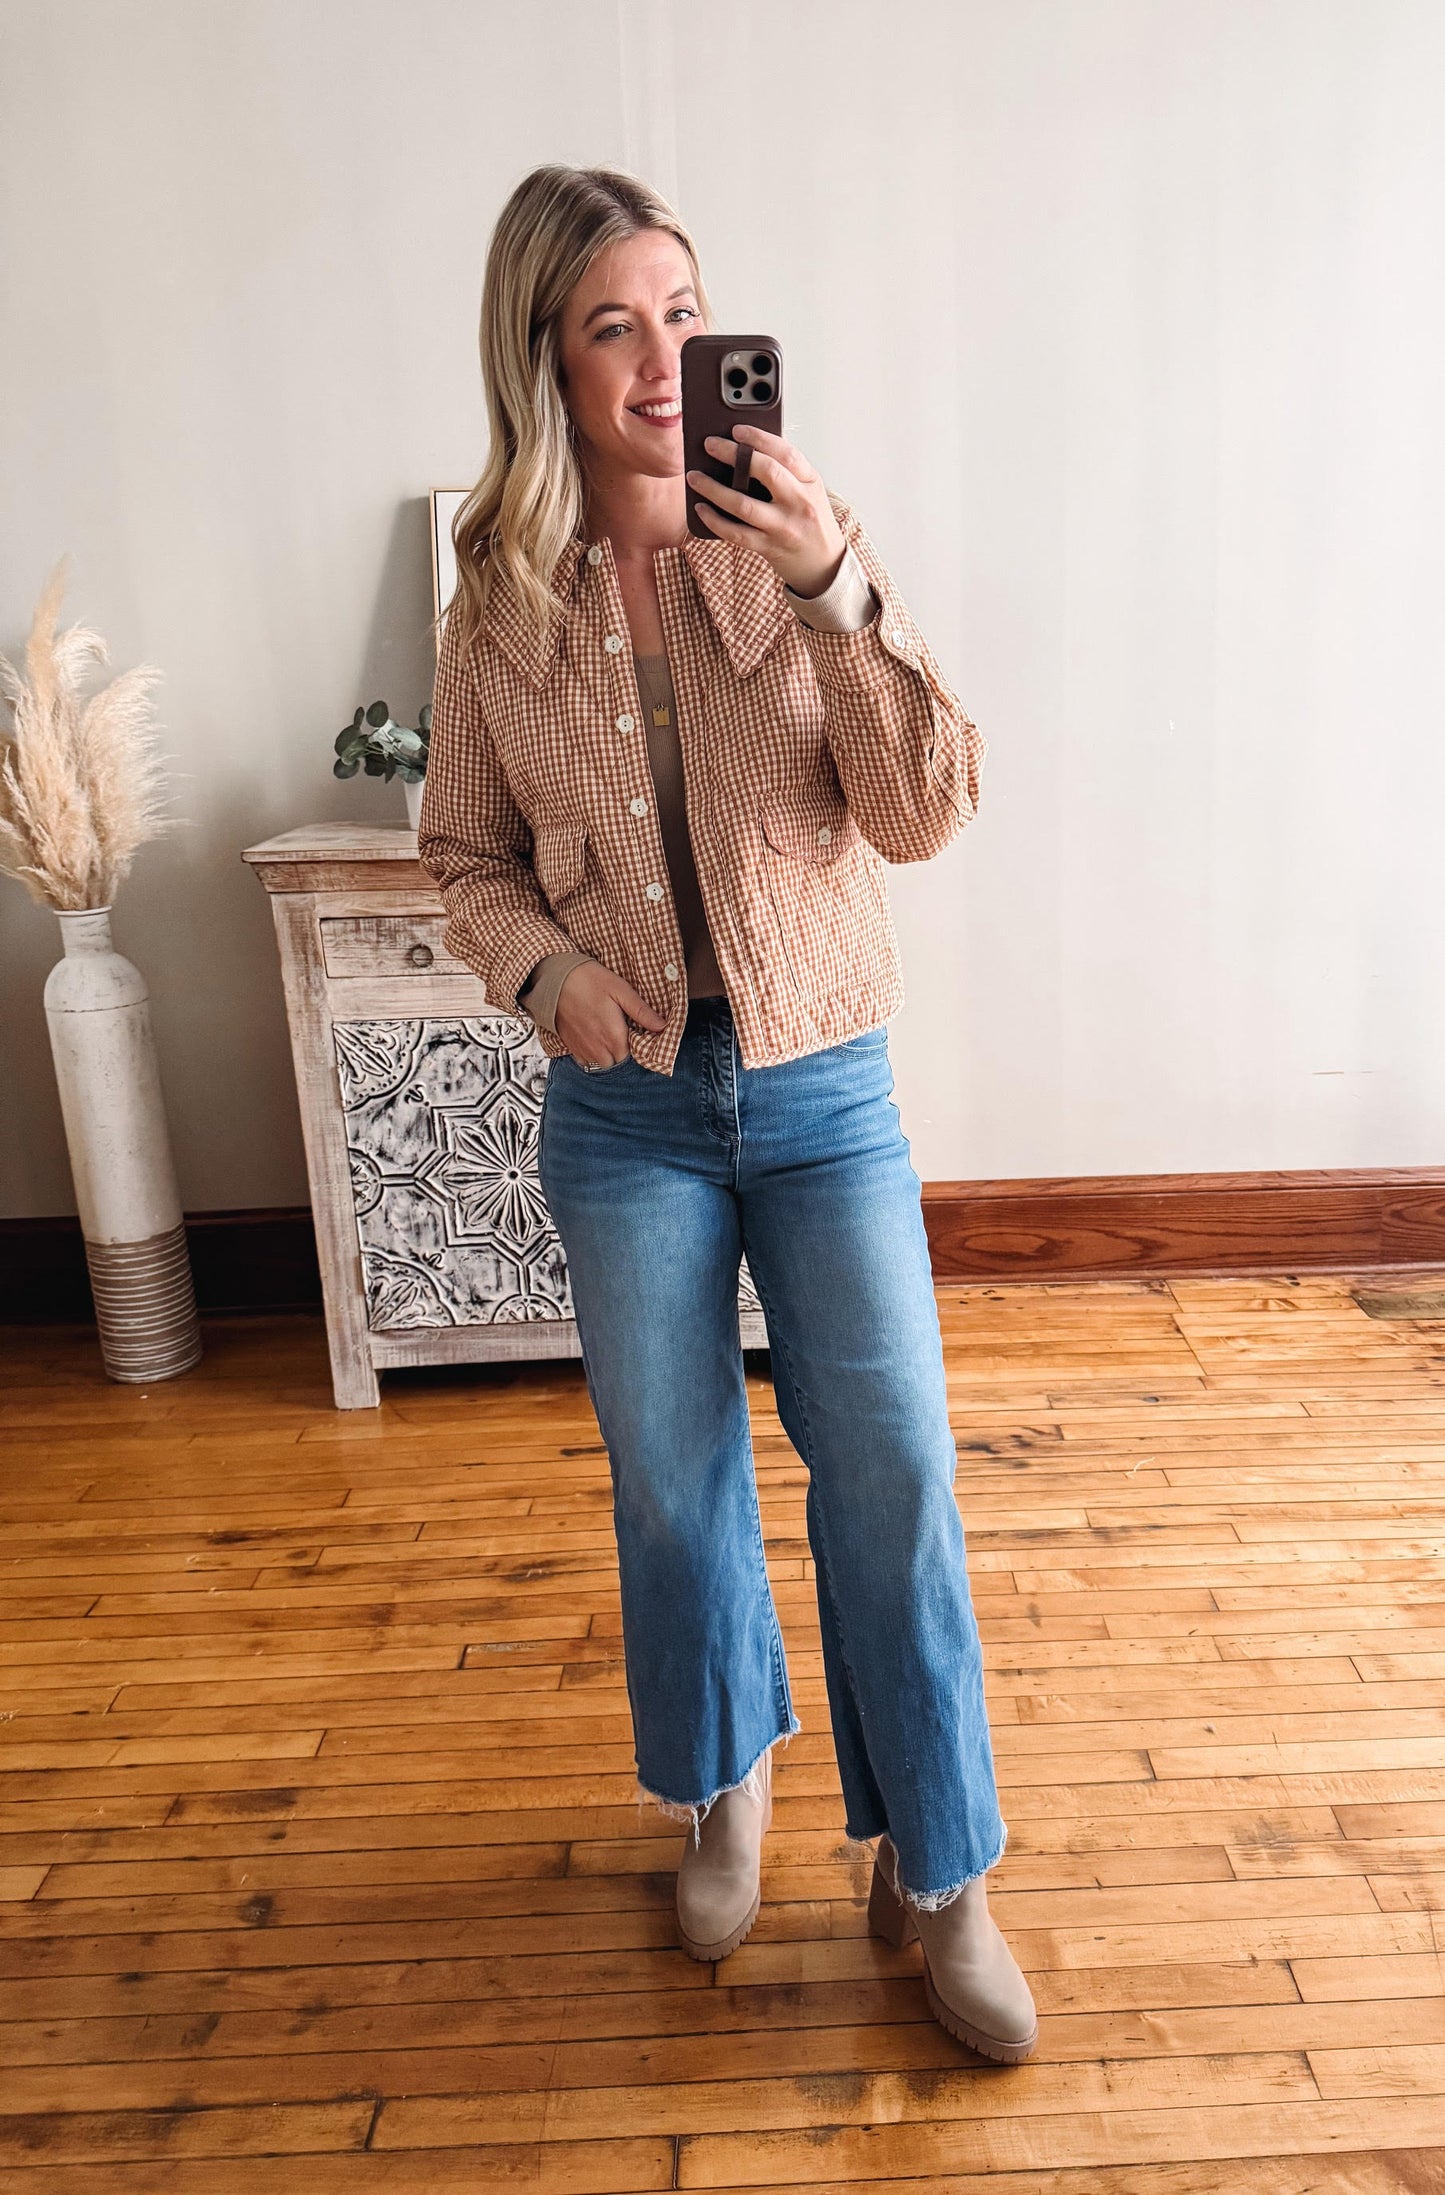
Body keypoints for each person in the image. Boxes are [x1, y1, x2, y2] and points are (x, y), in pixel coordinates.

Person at [419, 162, 1037, 2065]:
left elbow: (926, 801)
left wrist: (835, 585)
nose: (665, 358)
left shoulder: (793, 537)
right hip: (624, 1116)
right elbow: (462, 853)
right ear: (547, 357)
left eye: (685, 314)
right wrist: (547, 980)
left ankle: (937, 1867)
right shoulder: (497, 599)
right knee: (673, 1488)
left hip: (823, 1086)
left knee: (895, 1476)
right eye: (615, 322)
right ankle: (723, 1784)